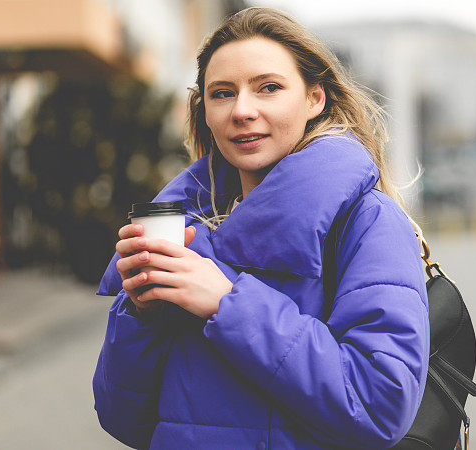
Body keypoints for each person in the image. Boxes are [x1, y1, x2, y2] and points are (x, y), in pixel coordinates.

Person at [92, 7, 430, 449]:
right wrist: (142, 315)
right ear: (205, 112)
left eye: (268, 88)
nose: (242, 111)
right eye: (222, 93)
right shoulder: (181, 225)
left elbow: (378, 403)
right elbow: (124, 421)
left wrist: (227, 303)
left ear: (315, 98)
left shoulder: (368, 222)